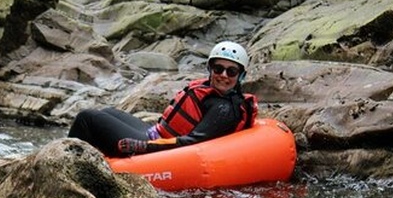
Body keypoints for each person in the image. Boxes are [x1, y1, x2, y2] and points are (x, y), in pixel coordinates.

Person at [68, 41, 257, 157]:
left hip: (159, 147)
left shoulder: (224, 109)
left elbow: (193, 143)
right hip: (157, 134)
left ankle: (62, 162)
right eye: (218, 68)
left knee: (87, 117)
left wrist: (144, 146)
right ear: (210, 69)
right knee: (106, 112)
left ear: (240, 75)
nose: (223, 75)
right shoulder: (212, 92)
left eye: (231, 71)